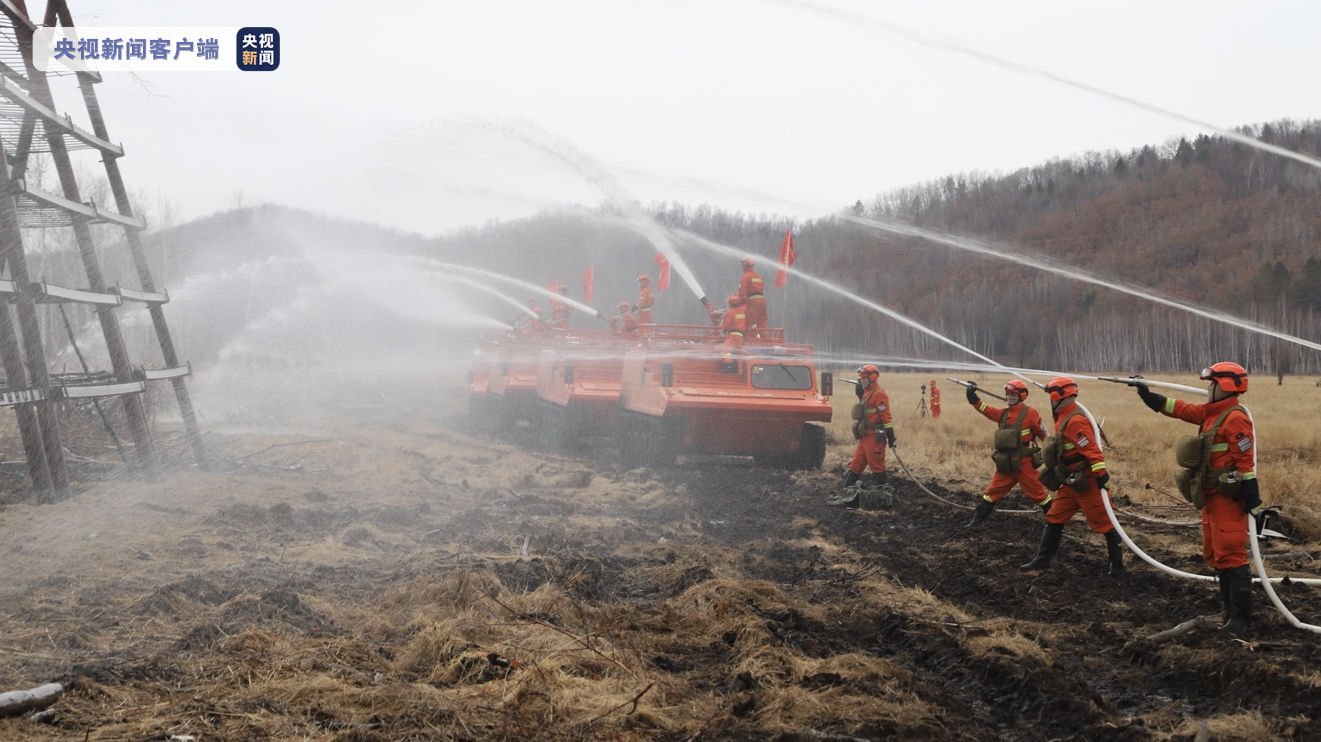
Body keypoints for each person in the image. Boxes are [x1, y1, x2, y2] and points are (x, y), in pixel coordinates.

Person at [1133, 363, 1261, 633]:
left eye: (1211, 383)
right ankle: (1226, 611)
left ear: (1224, 386)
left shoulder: (1235, 418)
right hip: (1211, 497)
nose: (1207, 388)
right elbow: (1179, 409)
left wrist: (1252, 498)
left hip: (1228, 500)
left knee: (1231, 554)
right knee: (1216, 553)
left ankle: (1240, 619)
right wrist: (1148, 396)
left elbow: (1245, 464)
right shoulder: (1211, 414)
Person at [1021, 377, 1122, 576]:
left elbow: (1092, 452)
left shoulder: (1075, 421)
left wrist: (1101, 476)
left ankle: (1117, 567)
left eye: (1051, 396)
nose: (1050, 401)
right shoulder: (1063, 416)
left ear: (1059, 397)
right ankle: (1042, 561)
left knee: (1104, 523)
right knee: (1054, 517)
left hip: (1088, 482)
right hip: (1070, 482)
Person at [964, 380, 1053, 527]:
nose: (1009, 397)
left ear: (1021, 396)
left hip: (1025, 465)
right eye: (1008, 394)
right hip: (1006, 465)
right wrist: (972, 397)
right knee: (990, 493)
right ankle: (975, 524)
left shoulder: (1030, 413)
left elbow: (1044, 435)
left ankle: (1055, 523)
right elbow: (986, 410)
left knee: (1040, 496)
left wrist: (1051, 452)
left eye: (1013, 394)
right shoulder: (1003, 414)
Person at [838, 364, 896, 504]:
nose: (861, 381)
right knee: (856, 465)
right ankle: (847, 493)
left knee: (877, 466)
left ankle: (884, 498)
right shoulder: (866, 393)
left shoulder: (879, 394)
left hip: (874, 438)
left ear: (872, 378)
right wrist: (859, 394)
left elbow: (886, 416)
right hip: (864, 437)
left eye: (863, 378)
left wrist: (890, 435)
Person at [737, 256, 767, 339]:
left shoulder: (746, 276)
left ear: (745, 264)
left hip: (753, 303)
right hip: (762, 302)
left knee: (747, 323)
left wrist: (740, 301)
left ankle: (743, 342)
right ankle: (765, 341)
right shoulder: (758, 277)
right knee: (762, 324)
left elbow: (742, 292)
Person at [717, 295, 745, 372]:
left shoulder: (730, 312)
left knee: (726, 351)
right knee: (737, 352)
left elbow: (726, 325)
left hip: (733, 337)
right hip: (741, 337)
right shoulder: (742, 312)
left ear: (730, 304)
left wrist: (721, 327)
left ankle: (729, 367)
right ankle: (738, 366)